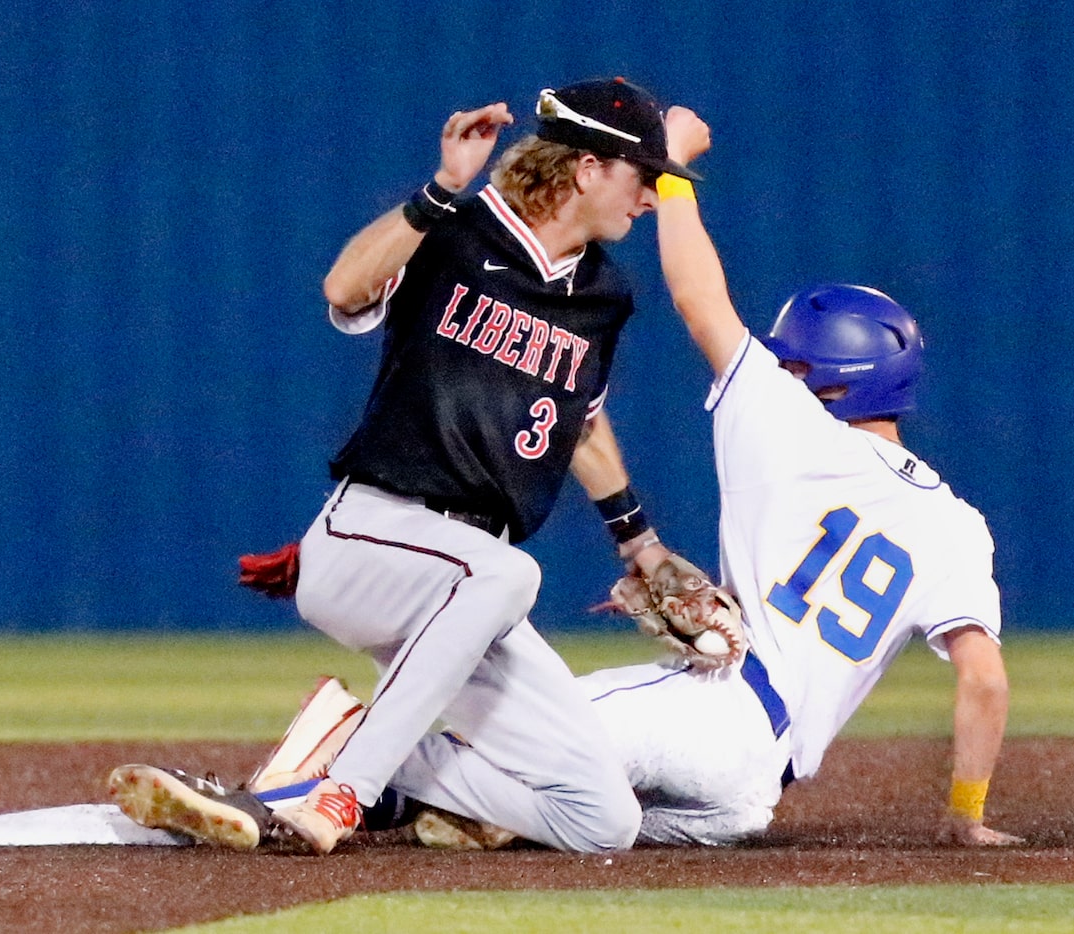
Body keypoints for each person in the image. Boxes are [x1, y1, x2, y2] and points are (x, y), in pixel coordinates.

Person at [109, 77, 707, 856]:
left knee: (601, 819)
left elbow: (579, 424)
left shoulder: (604, 292)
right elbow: (343, 288)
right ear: (588, 167)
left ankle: (348, 750)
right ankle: (344, 794)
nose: (652, 198)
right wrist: (442, 189)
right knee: (510, 576)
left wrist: (640, 542)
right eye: (643, 176)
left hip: (465, 589)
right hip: (372, 538)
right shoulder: (458, 229)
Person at [563, 109, 1023, 847]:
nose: (782, 369)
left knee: (519, 736)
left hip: (710, 711)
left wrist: (673, 171)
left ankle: (357, 777)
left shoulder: (792, 426)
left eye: (797, 363)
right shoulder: (958, 526)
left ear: (834, 383)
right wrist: (965, 813)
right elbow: (986, 680)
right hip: (751, 794)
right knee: (568, 818)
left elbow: (696, 297)